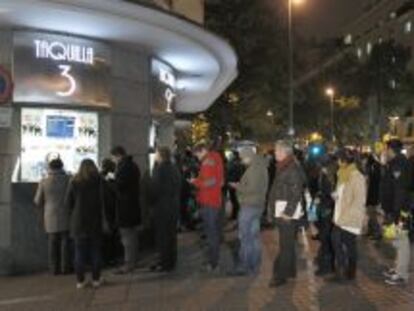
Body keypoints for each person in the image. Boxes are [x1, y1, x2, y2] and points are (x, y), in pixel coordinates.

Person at [65, 159, 109, 289]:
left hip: (78, 222)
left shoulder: (74, 181)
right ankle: (96, 279)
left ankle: (80, 281)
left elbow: (68, 203)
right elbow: (105, 200)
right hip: (95, 220)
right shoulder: (99, 181)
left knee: (79, 252)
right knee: (95, 251)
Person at [268, 140, 306, 287]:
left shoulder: (291, 168)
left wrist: (288, 212)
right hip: (282, 210)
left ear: (285, 152)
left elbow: (296, 193)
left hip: (286, 213)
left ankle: (281, 276)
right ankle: (290, 271)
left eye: (277, 151)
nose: (275, 153)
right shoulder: (285, 166)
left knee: (285, 245)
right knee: (288, 244)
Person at [229, 148, 268, 276]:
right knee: (254, 236)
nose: (242, 161)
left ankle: (245, 265)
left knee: (245, 237)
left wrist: (237, 186)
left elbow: (250, 188)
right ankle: (255, 265)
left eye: (242, 158)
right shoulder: (260, 166)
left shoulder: (253, 170)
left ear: (248, 156)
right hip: (257, 205)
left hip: (249, 206)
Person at [331, 149, 366, 283]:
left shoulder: (357, 176)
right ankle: (346, 273)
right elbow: (344, 195)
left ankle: (346, 273)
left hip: (348, 218)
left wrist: (343, 219)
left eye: (338, 159)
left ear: (344, 161)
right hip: (340, 216)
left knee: (342, 243)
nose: (337, 162)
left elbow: (358, 201)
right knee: (343, 244)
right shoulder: (342, 174)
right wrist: (336, 196)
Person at [381, 139, 412, 286]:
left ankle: (401, 273)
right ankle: (398, 268)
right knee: (398, 241)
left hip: (399, 210)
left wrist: (396, 212)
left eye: (386, 149)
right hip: (396, 209)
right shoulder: (396, 162)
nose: (385, 152)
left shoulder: (399, 164)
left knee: (402, 241)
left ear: (391, 149)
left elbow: (399, 189)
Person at [191, 142, 224, 273]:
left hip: (209, 202)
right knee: (214, 233)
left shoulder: (207, 162)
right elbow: (219, 181)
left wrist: (195, 181)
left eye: (198, 154)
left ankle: (213, 263)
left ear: (203, 150)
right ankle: (214, 260)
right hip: (215, 200)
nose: (197, 158)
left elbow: (210, 181)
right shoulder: (216, 158)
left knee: (211, 235)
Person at [34, 158, 71, 275]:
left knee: (53, 241)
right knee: (65, 241)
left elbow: (37, 200)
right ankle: (66, 267)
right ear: (62, 166)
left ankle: (54, 269)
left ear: (49, 167)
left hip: (50, 213)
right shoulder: (68, 179)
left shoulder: (44, 181)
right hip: (66, 211)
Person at [149, 147, 181, 272]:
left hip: (162, 207)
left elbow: (154, 189)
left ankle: (164, 263)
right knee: (171, 236)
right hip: (173, 206)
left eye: (156, 154)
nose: (155, 156)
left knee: (162, 237)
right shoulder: (174, 168)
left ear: (161, 155)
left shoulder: (160, 169)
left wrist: (151, 203)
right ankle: (171, 261)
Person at [111, 146, 141, 274]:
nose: (113, 160)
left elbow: (120, 185)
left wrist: (112, 180)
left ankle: (129, 264)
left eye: (113, 157)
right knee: (132, 235)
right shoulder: (133, 165)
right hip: (132, 205)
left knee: (127, 236)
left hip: (125, 206)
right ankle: (133, 261)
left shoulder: (124, 167)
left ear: (118, 155)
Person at [314, 157, 336, 276]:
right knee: (325, 237)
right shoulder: (325, 176)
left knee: (326, 238)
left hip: (327, 210)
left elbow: (331, 195)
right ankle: (325, 262)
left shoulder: (330, 178)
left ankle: (327, 266)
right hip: (325, 209)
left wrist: (322, 198)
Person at [365, 154, 382, 240]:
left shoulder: (374, 167)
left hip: (373, 195)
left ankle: (377, 232)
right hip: (372, 195)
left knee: (372, 214)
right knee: (370, 213)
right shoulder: (374, 166)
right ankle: (371, 231)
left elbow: (373, 183)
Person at [227, 151, 245, 220]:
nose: (230, 156)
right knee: (236, 200)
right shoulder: (240, 163)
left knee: (234, 200)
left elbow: (229, 172)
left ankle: (235, 215)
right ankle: (236, 214)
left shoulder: (233, 163)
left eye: (231, 154)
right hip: (238, 183)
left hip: (234, 183)